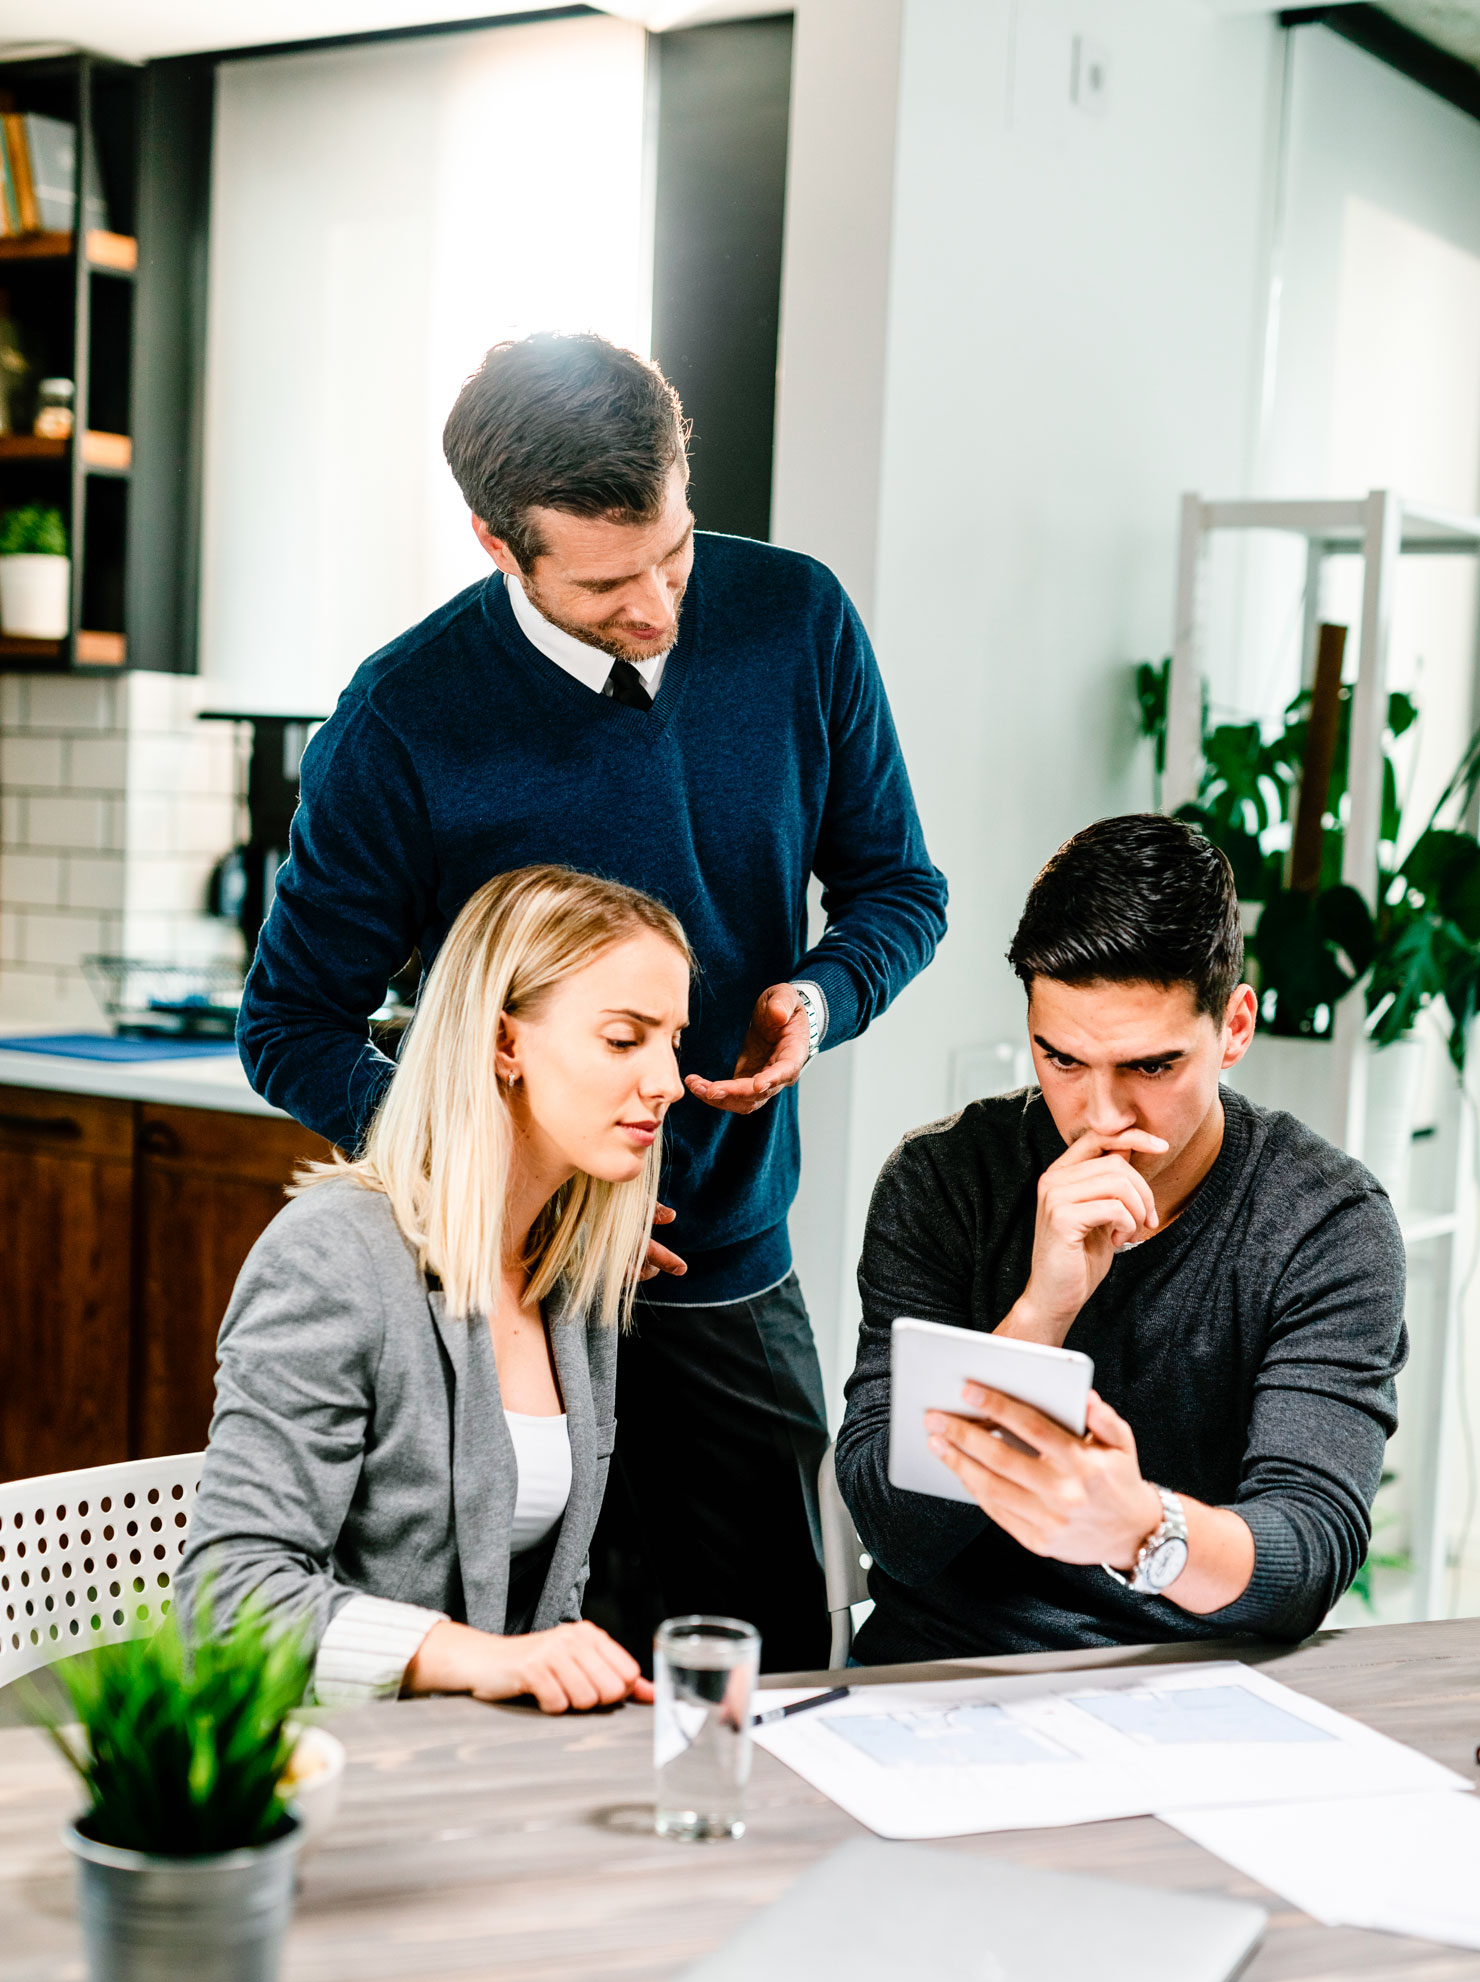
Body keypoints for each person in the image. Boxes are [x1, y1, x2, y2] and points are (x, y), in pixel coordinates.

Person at [236, 332, 947, 1671]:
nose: (663, 602)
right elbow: (288, 1027)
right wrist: (509, 1180)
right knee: (529, 1670)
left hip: (729, 1270)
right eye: (611, 581)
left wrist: (820, 993)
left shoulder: (797, 617)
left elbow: (900, 887)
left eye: (675, 550)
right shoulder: (401, 721)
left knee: (778, 1671)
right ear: (499, 545)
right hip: (513, 1296)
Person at [834, 813, 1407, 1664]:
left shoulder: (1326, 1222)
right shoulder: (944, 1182)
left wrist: (1143, 1527)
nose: (1101, 1116)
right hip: (946, 1670)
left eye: (1150, 1066)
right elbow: (896, 1528)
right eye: (1062, 1059)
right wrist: (1040, 1314)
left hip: (1199, 1686)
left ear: (1235, 1028)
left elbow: (1307, 1557)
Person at [180, 865, 691, 1712]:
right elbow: (229, 1603)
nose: (667, 1080)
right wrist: (477, 1659)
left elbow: (548, 1602)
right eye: (623, 1038)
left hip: (482, 1770)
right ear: (504, 1042)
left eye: (673, 1039)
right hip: (328, 1769)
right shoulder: (332, 1258)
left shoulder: (571, 1276)